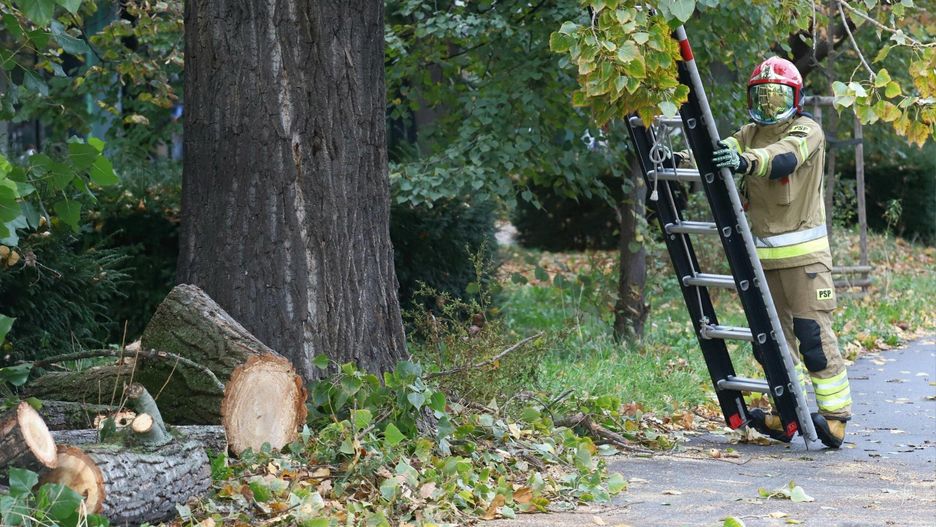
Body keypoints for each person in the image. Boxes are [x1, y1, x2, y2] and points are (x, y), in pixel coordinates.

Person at [679, 57, 852, 448]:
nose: (769, 106)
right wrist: (682, 162)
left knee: (813, 340)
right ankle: (783, 413)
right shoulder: (749, 132)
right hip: (763, 263)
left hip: (806, 265)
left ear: (795, 98)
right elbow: (715, 150)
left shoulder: (807, 130)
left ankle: (835, 420)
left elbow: (783, 157)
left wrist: (744, 161)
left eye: (777, 97)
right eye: (762, 96)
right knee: (770, 344)